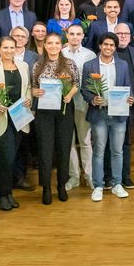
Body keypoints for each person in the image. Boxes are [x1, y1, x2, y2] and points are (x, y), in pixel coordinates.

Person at [0, 36, 32, 211]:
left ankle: (8, 193)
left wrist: (29, 100)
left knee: (12, 158)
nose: (9, 51)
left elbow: (28, 88)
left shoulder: (23, 66)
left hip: (19, 118)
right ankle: (1, 194)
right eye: (6, 48)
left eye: (12, 47)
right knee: (6, 159)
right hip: (0, 118)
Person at [82, 33, 134, 202]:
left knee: (117, 151)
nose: (108, 48)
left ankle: (117, 184)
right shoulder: (89, 65)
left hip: (118, 114)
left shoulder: (123, 65)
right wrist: (92, 99)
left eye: (112, 45)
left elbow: (128, 87)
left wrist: (130, 97)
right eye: (106, 44)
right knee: (98, 151)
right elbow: (84, 89)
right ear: (100, 46)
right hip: (99, 113)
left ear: (115, 47)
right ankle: (98, 186)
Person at [31, 32, 79, 205]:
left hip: (64, 110)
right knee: (45, 150)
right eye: (49, 43)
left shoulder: (69, 64)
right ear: (44, 45)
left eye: (56, 43)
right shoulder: (37, 65)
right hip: (44, 113)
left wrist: (70, 94)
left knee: (63, 149)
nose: (53, 46)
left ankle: (61, 185)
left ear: (61, 45)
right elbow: (33, 88)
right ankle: (46, 188)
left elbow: (76, 84)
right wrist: (34, 92)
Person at [62, 24, 97, 190]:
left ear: (83, 36)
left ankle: (89, 176)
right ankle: (74, 177)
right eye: (72, 34)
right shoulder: (60, 53)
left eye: (78, 34)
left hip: (83, 103)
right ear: (67, 35)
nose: (75, 37)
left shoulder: (90, 55)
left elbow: (92, 81)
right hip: (65, 103)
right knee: (68, 142)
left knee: (85, 141)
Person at [7, 26, 39, 191]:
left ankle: (19, 178)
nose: (19, 39)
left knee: (22, 144)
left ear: (27, 40)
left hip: (25, 107)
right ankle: (6, 179)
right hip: (4, 107)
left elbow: (36, 83)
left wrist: (33, 106)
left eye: (22, 36)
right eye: (15, 36)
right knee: (6, 144)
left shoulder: (34, 57)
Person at [111, 22, 134, 189]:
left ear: (131, 37)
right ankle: (110, 176)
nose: (123, 36)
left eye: (126, 33)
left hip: (129, 106)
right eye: (119, 33)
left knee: (126, 142)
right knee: (111, 142)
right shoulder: (108, 53)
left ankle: (125, 175)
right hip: (111, 105)